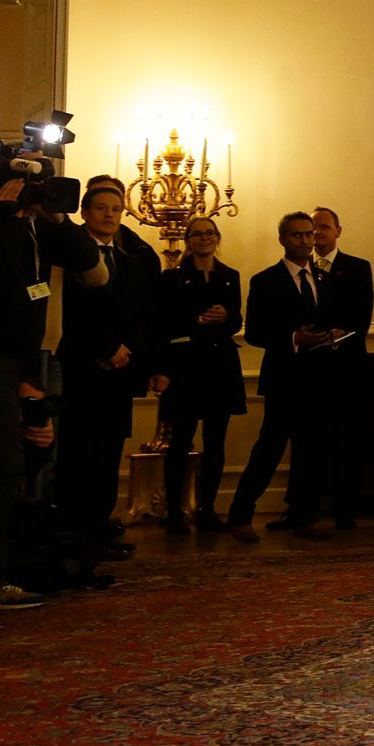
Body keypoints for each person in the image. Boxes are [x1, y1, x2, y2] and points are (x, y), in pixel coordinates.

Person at [56, 177, 168, 570]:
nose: (109, 215)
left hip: (119, 372)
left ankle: (100, 530)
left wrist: (128, 350)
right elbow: (73, 312)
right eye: (101, 208)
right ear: (85, 212)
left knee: (106, 456)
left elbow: (144, 312)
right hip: (82, 369)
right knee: (77, 456)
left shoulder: (131, 259)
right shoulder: (69, 253)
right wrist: (106, 348)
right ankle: (75, 536)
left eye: (116, 210)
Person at [227, 212, 344, 540]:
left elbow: (326, 319)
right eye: (297, 236)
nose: (306, 241)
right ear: (283, 239)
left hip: (319, 377)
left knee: (311, 450)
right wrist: (294, 338)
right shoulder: (265, 281)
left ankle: (304, 516)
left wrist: (331, 335)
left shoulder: (323, 278)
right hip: (284, 379)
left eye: (309, 234)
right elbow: (256, 333)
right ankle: (240, 515)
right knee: (269, 448)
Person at [156, 216, 245, 534]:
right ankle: (174, 514)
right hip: (185, 367)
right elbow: (164, 322)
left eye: (210, 233)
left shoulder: (230, 276)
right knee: (180, 440)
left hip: (220, 364)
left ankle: (207, 509)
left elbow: (236, 319)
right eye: (197, 234)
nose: (204, 238)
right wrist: (197, 320)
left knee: (216, 442)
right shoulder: (173, 278)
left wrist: (227, 316)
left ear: (217, 237)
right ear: (187, 240)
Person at [303, 207, 373, 529]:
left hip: (347, 369)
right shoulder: (298, 269)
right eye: (313, 228)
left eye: (324, 227)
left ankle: (346, 508)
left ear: (338, 231)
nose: (318, 233)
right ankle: (304, 509)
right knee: (308, 442)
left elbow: (362, 316)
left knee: (347, 441)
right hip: (309, 369)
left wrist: (339, 333)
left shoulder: (358, 268)